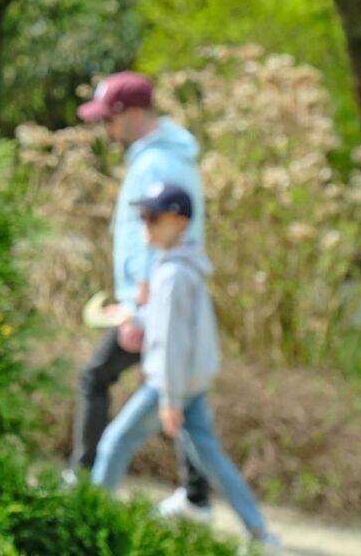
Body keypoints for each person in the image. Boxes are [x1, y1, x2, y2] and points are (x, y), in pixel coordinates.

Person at [91, 182, 280, 550]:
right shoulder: (178, 267)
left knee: (114, 443)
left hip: (172, 382)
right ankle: (260, 534)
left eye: (153, 217)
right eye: (142, 216)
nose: (145, 225)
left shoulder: (173, 275)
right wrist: (135, 314)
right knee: (209, 455)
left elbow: (171, 344)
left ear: (178, 222)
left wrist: (169, 399)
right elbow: (165, 323)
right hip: (192, 379)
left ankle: (89, 514)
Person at [69, 71, 212, 520]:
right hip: (153, 299)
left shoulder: (158, 164)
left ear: (131, 113)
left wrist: (138, 307)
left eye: (109, 119)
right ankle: (196, 498)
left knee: (97, 378)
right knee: (182, 396)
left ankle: (84, 479)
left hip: (151, 303)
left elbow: (158, 238)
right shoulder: (164, 156)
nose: (105, 129)